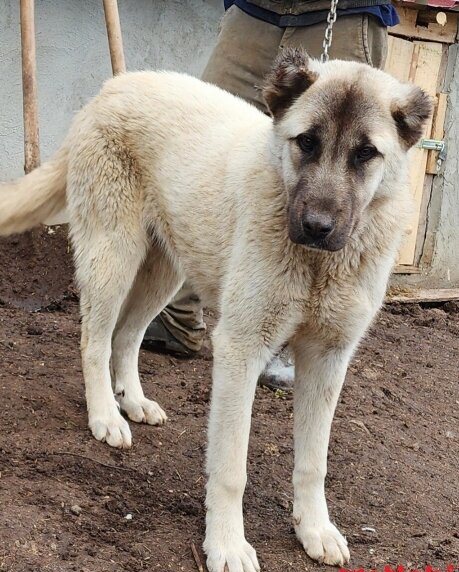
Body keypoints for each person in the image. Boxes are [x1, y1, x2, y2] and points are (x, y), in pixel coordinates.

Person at [143, 0, 399, 388]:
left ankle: (287, 336)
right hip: (256, 10)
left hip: (342, 12)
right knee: (210, 162)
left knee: (329, 181)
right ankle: (178, 318)